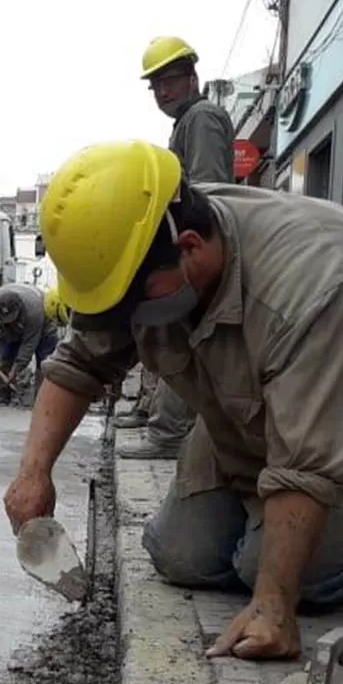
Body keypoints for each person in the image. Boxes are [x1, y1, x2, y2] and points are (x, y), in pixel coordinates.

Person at [2, 140, 343, 661]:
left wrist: (273, 603)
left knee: (287, 579)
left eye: (132, 306)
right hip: (242, 409)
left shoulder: (314, 284)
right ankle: (263, 518)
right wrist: (33, 473)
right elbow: (78, 363)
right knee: (180, 557)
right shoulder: (141, 246)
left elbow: (308, 461)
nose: (126, 322)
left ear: (190, 247)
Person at [119, 36, 239, 461]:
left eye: (170, 82)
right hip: (193, 244)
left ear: (193, 78)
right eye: (156, 86)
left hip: (198, 246)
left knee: (181, 336)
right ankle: (159, 419)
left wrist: (187, 255)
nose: (163, 92)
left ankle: (168, 433)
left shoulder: (202, 118)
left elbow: (208, 188)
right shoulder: (186, 122)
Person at [0, 282, 61, 403]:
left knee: (44, 363)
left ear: (19, 310)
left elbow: (29, 345)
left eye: (11, 319)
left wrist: (16, 369)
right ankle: (1, 396)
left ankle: (41, 401)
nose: (8, 321)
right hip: (16, 325)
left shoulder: (34, 312)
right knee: (4, 358)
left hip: (45, 326)